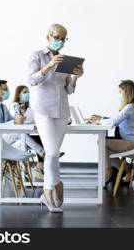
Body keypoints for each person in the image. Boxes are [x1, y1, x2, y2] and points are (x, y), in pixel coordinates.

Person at [28, 24, 84, 212]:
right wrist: (50, 65)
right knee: (51, 152)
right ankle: (51, 189)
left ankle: (50, 189)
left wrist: (76, 77)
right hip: (43, 109)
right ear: (49, 37)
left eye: (64, 38)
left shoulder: (66, 60)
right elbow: (32, 80)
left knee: (53, 153)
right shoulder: (37, 56)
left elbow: (68, 89)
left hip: (62, 111)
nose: (61, 41)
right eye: (58, 37)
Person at [87, 80, 134, 185]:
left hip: (132, 143)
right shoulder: (130, 107)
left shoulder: (129, 107)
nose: (119, 95)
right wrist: (101, 119)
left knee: (102, 143)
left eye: (120, 92)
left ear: (127, 93)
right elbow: (116, 119)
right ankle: (128, 170)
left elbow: (114, 122)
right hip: (131, 142)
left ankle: (108, 172)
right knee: (107, 151)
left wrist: (98, 121)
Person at [9, 85, 64, 174]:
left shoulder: (29, 108)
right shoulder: (14, 106)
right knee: (25, 136)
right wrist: (28, 121)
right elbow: (18, 120)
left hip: (24, 136)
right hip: (15, 136)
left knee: (42, 137)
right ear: (18, 94)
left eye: (28, 92)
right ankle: (45, 154)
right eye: (25, 92)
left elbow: (33, 119)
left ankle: (41, 163)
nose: (28, 94)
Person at [0, 80, 44, 156]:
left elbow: (13, 121)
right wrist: (15, 122)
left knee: (23, 140)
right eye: (6, 89)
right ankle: (43, 153)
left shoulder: (3, 106)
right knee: (20, 133)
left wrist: (28, 122)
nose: (8, 92)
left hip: (5, 139)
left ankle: (44, 155)